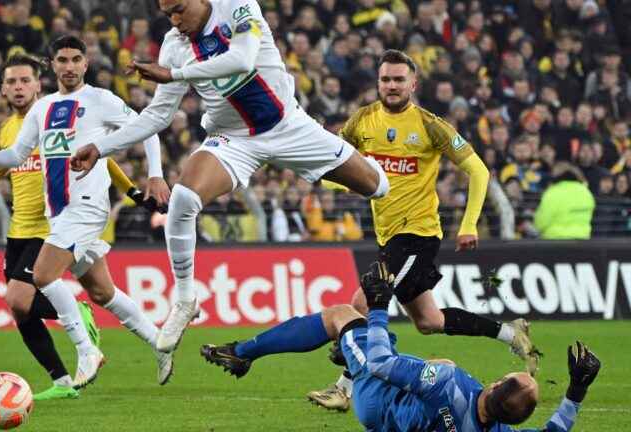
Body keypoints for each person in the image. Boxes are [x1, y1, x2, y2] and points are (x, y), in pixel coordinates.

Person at [70, 0, 390, 355]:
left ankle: (337, 179)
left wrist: (175, 75)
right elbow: (158, 116)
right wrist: (101, 147)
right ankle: (186, 298)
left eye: (179, 10)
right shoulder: (175, 45)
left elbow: (242, 59)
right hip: (234, 139)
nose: (175, 21)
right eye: (167, 15)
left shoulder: (237, 6)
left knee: (379, 186)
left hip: (289, 127)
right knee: (183, 199)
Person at [306, 49, 540, 412]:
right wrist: (326, 179)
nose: (392, 85)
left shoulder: (431, 125)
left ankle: (344, 390)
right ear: (378, 82)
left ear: (413, 83)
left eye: (399, 79)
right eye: (386, 79)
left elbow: (478, 171)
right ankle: (511, 333)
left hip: (418, 233)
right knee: (430, 321)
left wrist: (468, 224)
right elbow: (338, 167)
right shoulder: (361, 121)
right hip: (388, 236)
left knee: (362, 302)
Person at [0, 54, 165, 399]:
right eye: (11, 82)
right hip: (18, 229)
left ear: (39, 84)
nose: (18, 87)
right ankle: (67, 379)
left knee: (19, 297)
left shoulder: (56, 116)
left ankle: (82, 331)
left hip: (56, 224)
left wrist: (132, 190)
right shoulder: (7, 132)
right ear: (3, 89)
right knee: (98, 293)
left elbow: (101, 156)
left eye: (25, 80)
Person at [201, 261, 601, 431]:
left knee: (344, 316)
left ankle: (244, 353)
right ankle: (345, 371)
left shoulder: (448, 382)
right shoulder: (495, 427)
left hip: (377, 398)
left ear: (495, 387)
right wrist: (576, 391)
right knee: (423, 351)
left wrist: (378, 307)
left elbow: (380, 364)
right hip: (398, 419)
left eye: (506, 377)